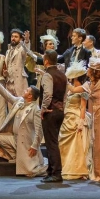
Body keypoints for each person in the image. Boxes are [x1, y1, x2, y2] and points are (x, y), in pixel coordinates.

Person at [0, 79, 48, 177]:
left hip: (26, 142)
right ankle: (16, 156)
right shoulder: (19, 101)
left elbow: (39, 130)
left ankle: (39, 167)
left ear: (30, 96)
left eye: (26, 90)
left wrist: (34, 146)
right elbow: (7, 95)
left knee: (29, 172)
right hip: (15, 138)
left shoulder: (35, 109)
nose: (24, 91)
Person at [58, 60, 90, 180]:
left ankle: (76, 169)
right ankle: (64, 165)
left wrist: (81, 122)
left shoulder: (84, 87)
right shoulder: (71, 89)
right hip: (67, 116)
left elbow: (83, 106)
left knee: (76, 144)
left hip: (75, 117)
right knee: (63, 142)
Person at [40, 49, 67, 183]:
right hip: (60, 111)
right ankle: (50, 171)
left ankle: (56, 173)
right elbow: (65, 95)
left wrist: (43, 108)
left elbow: (48, 94)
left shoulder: (48, 75)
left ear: (46, 61)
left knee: (51, 143)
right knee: (53, 141)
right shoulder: (62, 75)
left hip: (50, 111)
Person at [3, 29, 31, 97]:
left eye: (16, 37)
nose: (13, 38)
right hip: (9, 82)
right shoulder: (8, 51)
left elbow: (26, 50)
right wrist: (5, 74)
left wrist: (27, 41)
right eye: (12, 36)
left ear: (21, 39)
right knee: (10, 103)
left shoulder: (21, 49)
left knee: (21, 102)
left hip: (19, 81)